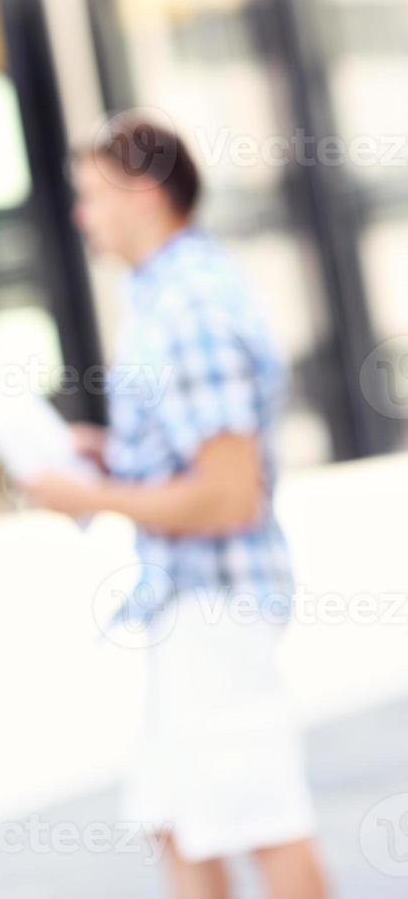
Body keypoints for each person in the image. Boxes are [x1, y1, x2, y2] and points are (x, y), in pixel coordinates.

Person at [24, 114, 328, 899]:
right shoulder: (166, 291)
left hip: (214, 608)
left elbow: (229, 494)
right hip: (187, 606)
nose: (81, 216)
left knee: (262, 823)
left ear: (147, 194)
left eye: (92, 195)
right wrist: (112, 455)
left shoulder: (188, 302)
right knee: (177, 818)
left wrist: (90, 495)